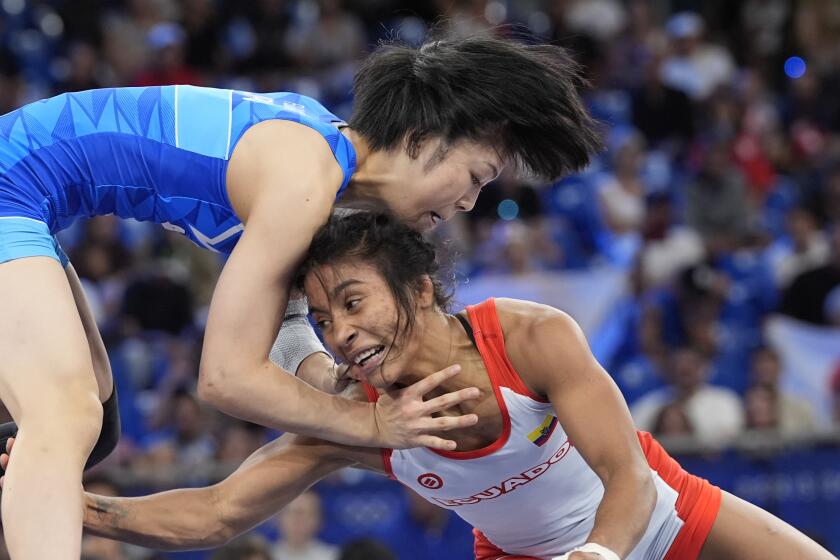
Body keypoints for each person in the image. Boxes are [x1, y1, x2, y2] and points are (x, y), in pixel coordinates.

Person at [0, 32, 600, 558]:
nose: (469, 203)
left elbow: (283, 328)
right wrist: (370, 423)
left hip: (29, 202)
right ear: (421, 137)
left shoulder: (323, 171)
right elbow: (226, 379)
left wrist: (332, 384)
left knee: (91, 427)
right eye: (475, 178)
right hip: (10, 187)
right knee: (64, 417)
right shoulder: (304, 183)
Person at [21, 212, 832, 560]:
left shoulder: (532, 337)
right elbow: (215, 513)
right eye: (323, 318)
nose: (342, 333)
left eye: (352, 302)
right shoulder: (350, 420)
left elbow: (626, 475)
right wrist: (65, 499)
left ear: (417, 291)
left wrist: (596, 554)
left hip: (659, 510)